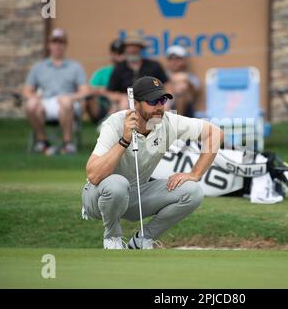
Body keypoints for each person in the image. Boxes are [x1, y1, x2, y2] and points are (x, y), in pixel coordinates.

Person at [82, 76, 223, 249]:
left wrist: (195, 174)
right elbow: (93, 175)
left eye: (162, 100)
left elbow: (215, 133)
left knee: (193, 192)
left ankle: (143, 240)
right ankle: (112, 239)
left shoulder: (169, 122)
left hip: (135, 197)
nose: (159, 107)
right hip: (98, 197)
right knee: (118, 184)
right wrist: (124, 140)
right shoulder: (114, 123)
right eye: (152, 101)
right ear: (136, 103)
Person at [23, 28, 89, 155]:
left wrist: (71, 97)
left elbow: (85, 91)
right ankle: (43, 142)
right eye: (54, 42)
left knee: (65, 102)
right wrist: (34, 97)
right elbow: (27, 90)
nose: (57, 45)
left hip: (68, 103)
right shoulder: (39, 66)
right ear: (49, 45)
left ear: (66, 45)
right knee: (31, 104)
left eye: (61, 42)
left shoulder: (75, 66)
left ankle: (67, 143)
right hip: (45, 102)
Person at [107, 31, 168, 110]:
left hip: (152, 98)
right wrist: (121, 97)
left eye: (135, 46)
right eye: (129, 46)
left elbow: (167, 84)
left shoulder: (153, 65)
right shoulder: (119, 68)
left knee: (165, 104)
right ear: (125, 49)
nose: (132, 49)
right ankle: (129, 122)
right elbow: (109, 92)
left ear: (140, 48)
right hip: (127, 100)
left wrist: (164, 95)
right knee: (124, 104)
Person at [86, 39, 126, 123]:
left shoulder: (129, 72)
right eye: (115, 53)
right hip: (103, 105)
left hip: (122, 104)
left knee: (121, 101)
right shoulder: (102, 72)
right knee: (89, 97)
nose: (118, 56)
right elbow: (90, 89)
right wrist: (108, 93)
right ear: (111, 54)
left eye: (121, 52)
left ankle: (109, 121)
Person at [165, 45, 201, 117]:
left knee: (181, 86)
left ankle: (178, 119)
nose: (174, 62)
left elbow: (196, 92)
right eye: (171, 59)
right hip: (167, 106)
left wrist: (185, 82)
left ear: (184, 61)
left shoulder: (190, 76)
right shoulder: (163, 74)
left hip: (186, 110)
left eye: (178, 59)